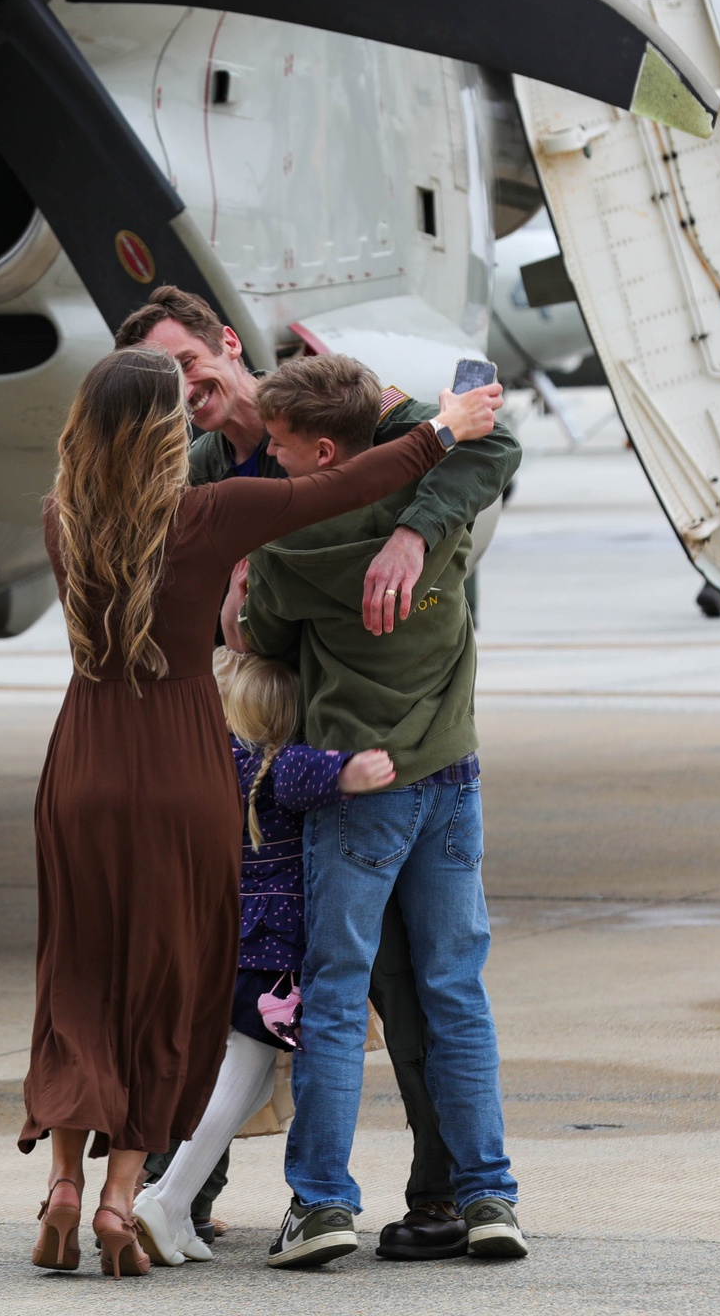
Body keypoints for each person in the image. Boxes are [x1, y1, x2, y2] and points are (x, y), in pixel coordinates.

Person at [18, 344, 499, 1280]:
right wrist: (444, 428)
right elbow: (343, 485)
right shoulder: (208, 514)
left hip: (81, 762)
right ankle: (124, 1198)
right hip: (181, 763)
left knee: (78, 971)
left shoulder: (59, 518)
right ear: (164, 433)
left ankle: (65, 1185)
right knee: (170, 980)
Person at [224, 354, 527, 1268]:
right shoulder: (438, 514)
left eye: (281, 447)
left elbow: (261, 640)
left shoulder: (288, 546)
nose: (272, 461)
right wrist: (417, 505)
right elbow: (490, 445)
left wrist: (241, 598)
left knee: (334, 996)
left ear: (324, 453)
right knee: (456, 992)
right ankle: (488, 1195)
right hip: (453, 783)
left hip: (359, 792)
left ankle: (321, 1203)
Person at [133, 649, 396, 1265]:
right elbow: (310, 772)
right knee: (245, 1079)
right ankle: (165, 1200)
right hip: (269, 956)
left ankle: (176, 1206)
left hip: (223, 945)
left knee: (240, 1086)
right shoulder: (276, 762)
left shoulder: (216, 760)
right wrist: (354, 767)